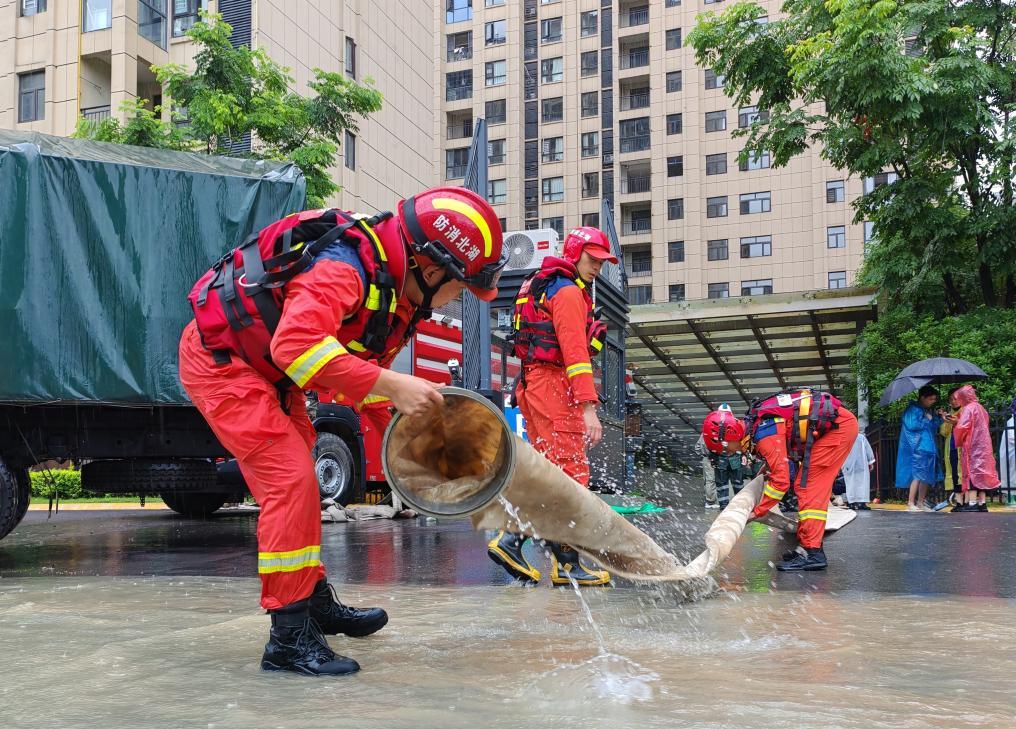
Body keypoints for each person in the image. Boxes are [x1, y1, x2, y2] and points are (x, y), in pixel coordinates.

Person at [179, 186, 507, 676]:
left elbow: (362, 381)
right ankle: (288, 640)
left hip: (268, 373)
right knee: (289, 482)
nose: (457, 298)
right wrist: (393, 383)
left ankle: (311, 600)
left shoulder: (391, 284)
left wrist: (428, 441)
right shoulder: (343, 268)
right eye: (460, 288)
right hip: (225, 366)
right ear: (431, 266)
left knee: (303, 482)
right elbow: (295, 347)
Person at [487, 226, 615, 587]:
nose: (597, 269)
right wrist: (589, 406)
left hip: (532, 385)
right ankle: (517, 543)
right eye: (592, 260)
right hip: (554, 388)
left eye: (602, 263)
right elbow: (575, 355)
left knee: (550, 474)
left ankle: (562, 562)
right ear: (575, 255)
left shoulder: (539, 284)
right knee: (571, 476)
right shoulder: (569, 293)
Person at [741, 389, 859, 571]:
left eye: (727, 449)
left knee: (809, 488)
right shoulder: (761, 423)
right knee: (803, 486)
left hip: (838, 430)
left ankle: (813, 553)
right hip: (838, 425)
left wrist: (756, 512)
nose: (729, 453)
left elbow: (781, 482)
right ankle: (806, 547)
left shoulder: (762, 433)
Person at [950, 385, 1001, 512]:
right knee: (981, 474)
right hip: (984, 445)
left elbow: (962, 428)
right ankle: (982, 503)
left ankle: (972, 503)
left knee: (972, 473)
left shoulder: (968, 408)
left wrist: (957, 432)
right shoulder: (981, 408)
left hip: (972, 445)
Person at [895, 385, 943, 511]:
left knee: (925, 476)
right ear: (922, 397)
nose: (932, 402)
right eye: (930, 399)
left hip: (928, 447)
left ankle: (920, 502)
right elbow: (912, 425)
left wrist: (938, 417)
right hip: (918, 447)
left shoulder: (925, 410)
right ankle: (911, 503)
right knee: (917, 475)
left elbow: (933, 425)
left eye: (934, 399)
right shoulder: (913, 409)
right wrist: (927, 419)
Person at [699, 405, 742, 508]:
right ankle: (740, 504)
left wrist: (711, 456)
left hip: (720, 457)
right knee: (737, 481)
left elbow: (706, 443)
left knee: (721, 482)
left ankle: (723, 505)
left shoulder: (710, 426)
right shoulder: (737, 423)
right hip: (734, 456)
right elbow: (742, 440)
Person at [841, 432, 875, 510]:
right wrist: (871, 461)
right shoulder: (861, 437)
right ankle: (862, 503)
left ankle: (851, 502)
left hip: (847, 464)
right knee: (862, 483)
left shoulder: (843, 436)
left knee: (850, 484)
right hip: (861, 464)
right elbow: (868, 449)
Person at [694, 433, 720, 508]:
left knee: (707, 480)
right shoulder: (715, 432)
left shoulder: (704, 433)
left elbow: (697, 448)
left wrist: (703, 454)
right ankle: (710, 502)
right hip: (712, 458)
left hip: (706, 458)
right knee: (711, 480)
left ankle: (709, 500)